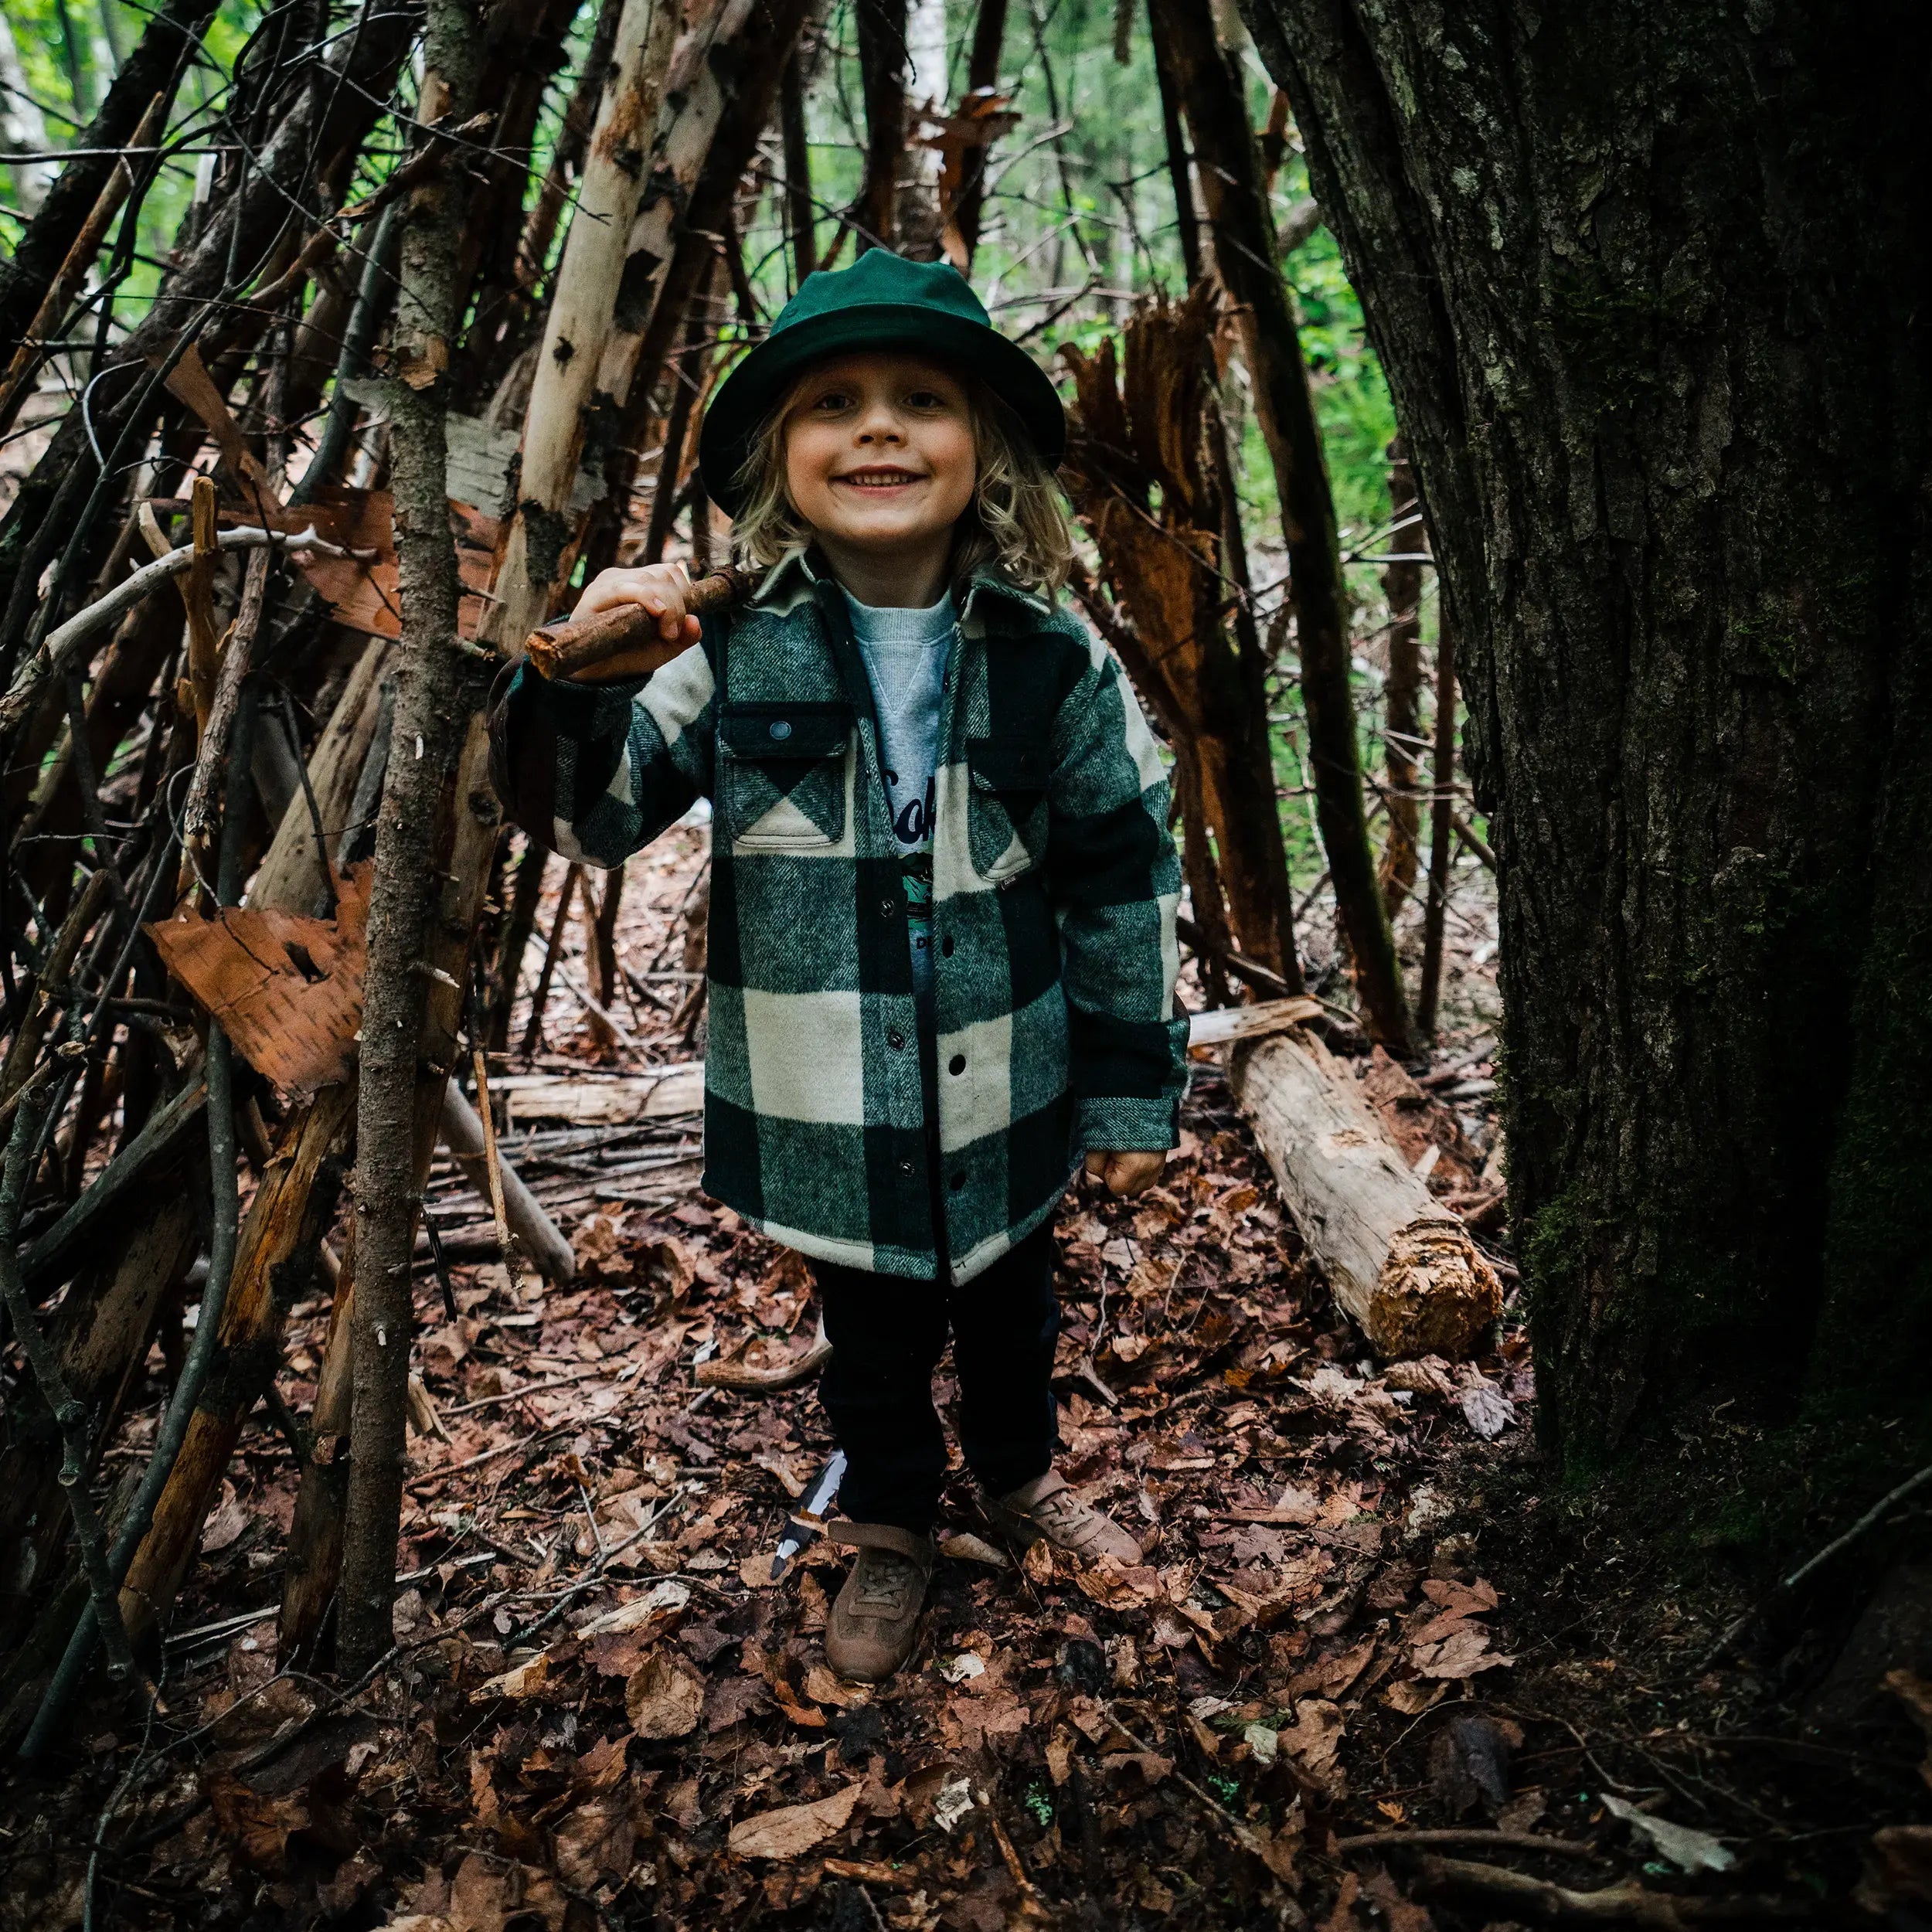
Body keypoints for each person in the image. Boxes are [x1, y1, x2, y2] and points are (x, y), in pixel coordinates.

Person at [488, 249, 1187, 1682]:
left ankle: (1018, 1477)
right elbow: (590, 816)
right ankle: (887, 1522)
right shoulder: (728, 650)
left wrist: (1128, 1096)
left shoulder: (1057, 661)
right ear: (778, 460)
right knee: (869, 1324)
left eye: (921, 398)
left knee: (1010, 1301)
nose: (878, 430)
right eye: (836, 405)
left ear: (983, 443)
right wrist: (572, 680)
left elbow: (1124, 876)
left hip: (1010, 1079)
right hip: (829, 1093)